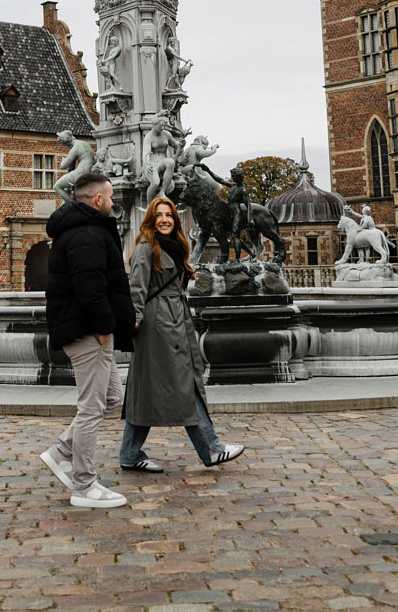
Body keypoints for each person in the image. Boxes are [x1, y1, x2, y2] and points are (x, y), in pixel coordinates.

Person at [119, 197, 245, 473]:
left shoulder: (176, 247)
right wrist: (136, 320)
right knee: (184, 383)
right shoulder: (145, 248)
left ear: (175, 219)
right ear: (150, 220)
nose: (165, 219)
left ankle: (129, 453)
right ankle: (211, 447)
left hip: (175, 319)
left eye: (169, 215)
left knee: (150, 389)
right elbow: (137, 287)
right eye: (159, 215)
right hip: (159, 325)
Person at [40, 171, 136, 508]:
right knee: (92, 408)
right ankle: (84, 485)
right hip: (88, 331)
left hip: (90, 329)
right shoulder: (86, 233)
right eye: (109, 197)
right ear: (97, 199)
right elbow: (90, 285)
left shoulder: (85, 229)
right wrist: (105, 326)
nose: (112, 202)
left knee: (111, 398)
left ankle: (62, 450)